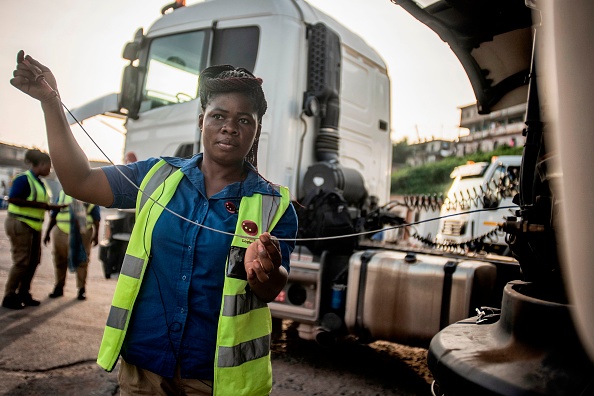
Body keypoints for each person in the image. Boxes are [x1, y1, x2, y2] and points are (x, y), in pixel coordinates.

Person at [11, 51, 298, 396]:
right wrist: (50, 104)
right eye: (218, 115)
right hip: (144, 369)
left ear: (257, 129)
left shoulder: (274, 205)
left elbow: (271, 289)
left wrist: (266, 272)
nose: (230, 127)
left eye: (245, 120)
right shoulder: (156, 175)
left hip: (215, 379)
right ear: (201, 119)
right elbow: (78, 180)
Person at [2, 149, 65, 310]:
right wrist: (44, 206)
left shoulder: (39, 183)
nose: (49, 170)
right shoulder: (23, 179)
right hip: (20, 224)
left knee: (34, 261)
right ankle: (9, 296)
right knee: (22, 261)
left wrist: (50, 207)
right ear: (41, 164)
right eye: (48, 167)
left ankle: (23, 293)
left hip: (34, 226)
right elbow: (14, 199)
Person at [43, 190, 101, 301]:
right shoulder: (62, 193)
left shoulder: (91, 193)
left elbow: (96, 216)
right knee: (59, 259)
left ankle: (81, 289)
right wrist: (48, 233)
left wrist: (96, 234)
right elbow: (54, 214)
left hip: (83, 232)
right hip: (61, 231)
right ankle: (59, 287)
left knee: (82, 260)